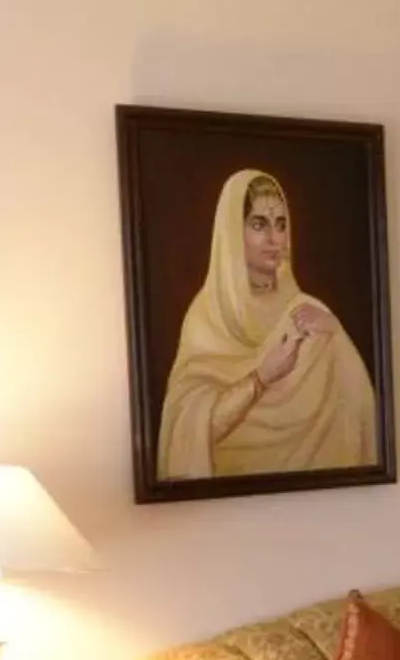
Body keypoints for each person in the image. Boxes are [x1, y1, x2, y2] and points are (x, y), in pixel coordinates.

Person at [156, 168, 377, 480]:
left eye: (281, 224)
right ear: (233, 231)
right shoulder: (208, 317)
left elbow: (359, 412)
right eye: (259, 224)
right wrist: (261, 378)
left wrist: (336, 335)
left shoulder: (309, 313)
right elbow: (190, 427)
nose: (275, 239)